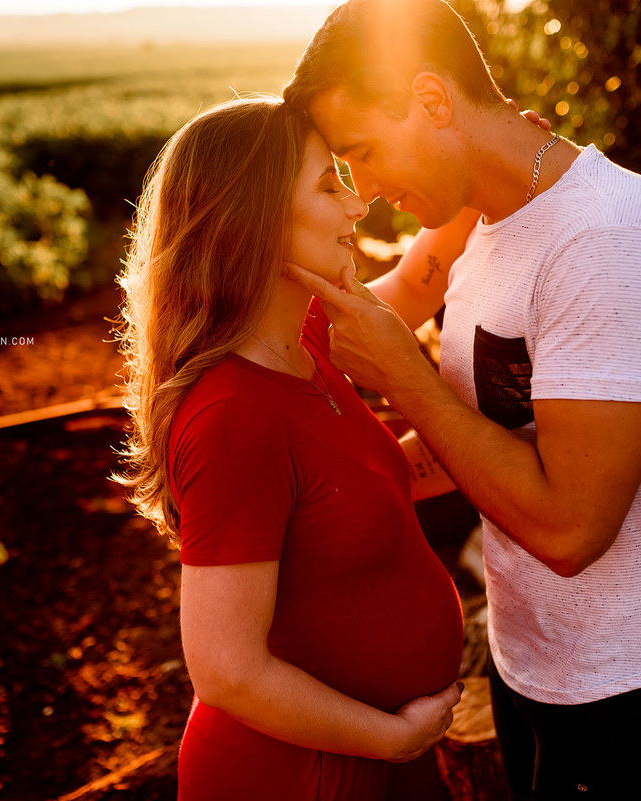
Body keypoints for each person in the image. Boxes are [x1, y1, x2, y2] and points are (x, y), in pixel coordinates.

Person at [281, 1, 641, 798]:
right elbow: (481, 424)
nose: (370, 192)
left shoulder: (607, 239)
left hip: (629, 683)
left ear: (432, 101)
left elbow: (570, 528)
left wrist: (405, 377)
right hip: (532, 657)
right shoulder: (483, 213)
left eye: (362, 153)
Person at [114, 96, 467, 801]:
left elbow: (414, 282)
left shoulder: (303, 341)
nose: (357, 206)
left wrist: (479, 166)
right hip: (310, 776)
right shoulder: (232, 416)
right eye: (328, 185)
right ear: (259, 217)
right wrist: (393, 740)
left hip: (378, 762)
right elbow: (225, 668)